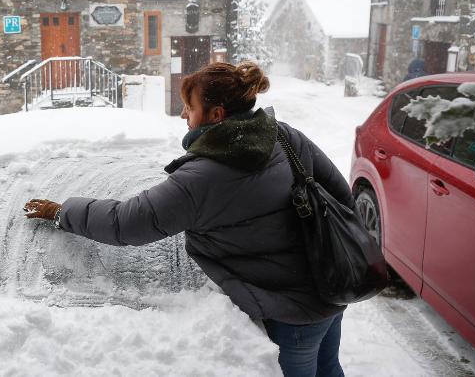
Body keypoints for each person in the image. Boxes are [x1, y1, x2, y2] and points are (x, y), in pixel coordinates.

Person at [24, 61, 353, 377]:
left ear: (216, 115)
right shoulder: (283, 136)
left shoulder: (203, 178)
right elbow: (339, 193)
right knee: (329, 371)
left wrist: (61, 212)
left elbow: (126, 223)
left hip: (291, 314)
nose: (183, 113)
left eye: (189, 107)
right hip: (329, 286)